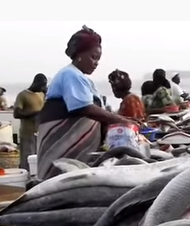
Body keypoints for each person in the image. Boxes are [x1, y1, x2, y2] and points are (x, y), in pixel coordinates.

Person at [36, 25, 134, 181]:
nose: (96, 63)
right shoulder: (70, 74)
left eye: (98, 59)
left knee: (73, 181)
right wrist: (120, 120)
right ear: (79, 55)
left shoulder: (81, 78)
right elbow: (83, 107)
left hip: (76, 149)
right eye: (93, 57)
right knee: (61, 180)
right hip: (63, 144)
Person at [13, 73, 47, 171]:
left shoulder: (41, 94)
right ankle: (26, 177)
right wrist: (36, 113)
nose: (43, 87)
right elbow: (17, 113)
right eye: (41, 85)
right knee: (27, 158)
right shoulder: (23, 95)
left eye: (44, 85)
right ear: (35, 83)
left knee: (38, 158)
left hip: (40, 132)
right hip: (27, 132)